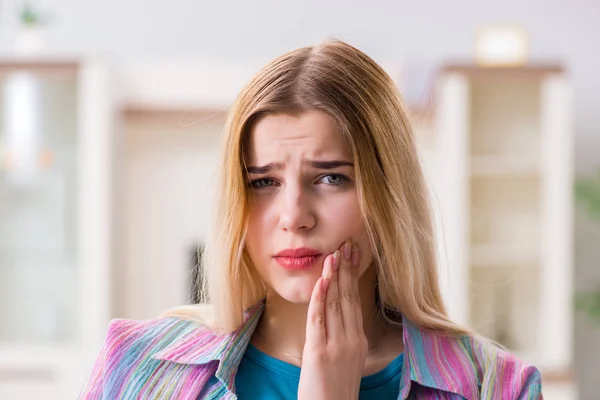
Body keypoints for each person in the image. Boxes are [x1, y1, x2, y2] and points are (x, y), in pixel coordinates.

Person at [79, 39, 543, 399]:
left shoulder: (496, 386)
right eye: (263, 182)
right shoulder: (138, 367)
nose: (294, 217)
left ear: (389, 193)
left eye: (330, 179)